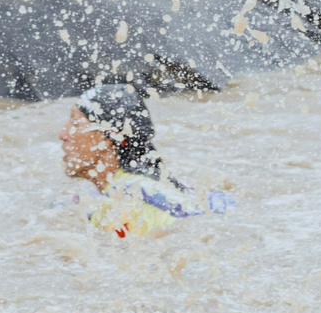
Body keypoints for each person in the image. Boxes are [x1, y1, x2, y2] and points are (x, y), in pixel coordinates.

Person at [61, 83, 232, 239]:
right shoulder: (138, 186)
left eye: (75, 123)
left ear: (105, 138)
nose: (63, 135)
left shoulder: (124, 204)